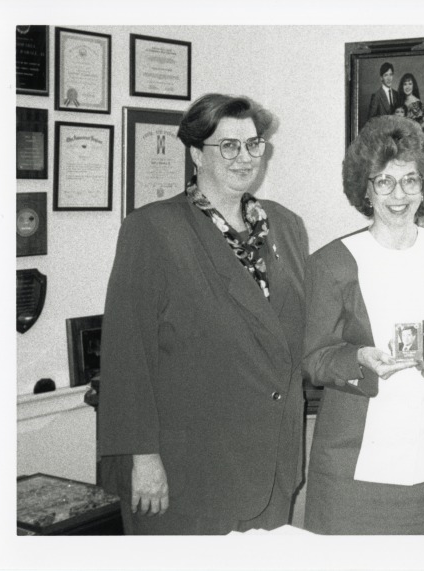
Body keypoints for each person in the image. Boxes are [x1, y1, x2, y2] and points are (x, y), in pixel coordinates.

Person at [98, 93, 308, 535]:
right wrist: (144, 458)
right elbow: (126, 353)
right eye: (227, 146)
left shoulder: (285, 227)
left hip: (271, 461)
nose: (244, 157)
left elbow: (296, 333)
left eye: (253, 144)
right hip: (189, 469)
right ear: (196, 153)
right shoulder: (153, 230)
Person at [302, 115, 424, 534]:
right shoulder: (332, 263)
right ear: (364, 189)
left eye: (410, 180)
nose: (398, 194)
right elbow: (313, 359)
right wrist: (359, 359)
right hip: (355, 470)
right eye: (383, 181)